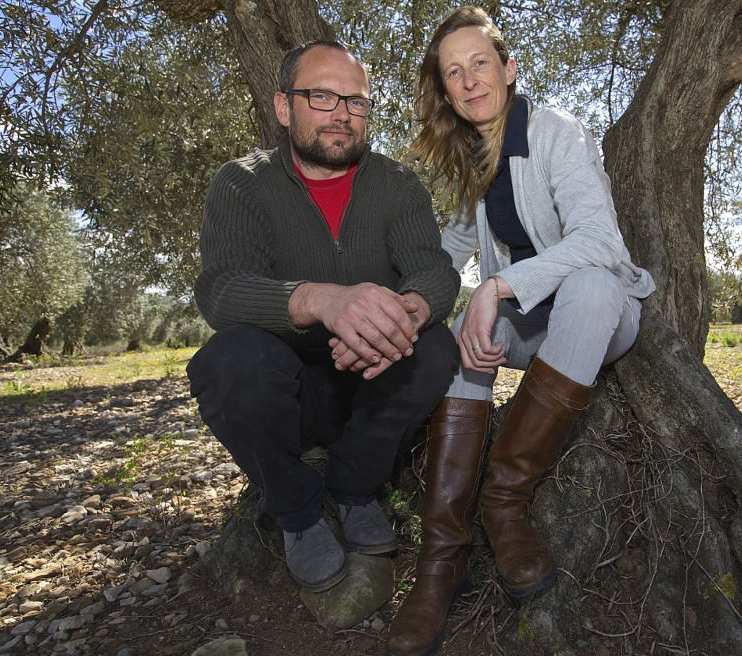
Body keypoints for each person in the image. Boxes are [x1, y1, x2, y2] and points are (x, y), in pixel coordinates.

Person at [385, 7, 656, 655]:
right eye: (454, 72)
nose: (469, 80)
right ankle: (440, 561)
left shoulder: (558, 133)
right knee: (452, 344)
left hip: (599, 316)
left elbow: (602, 243)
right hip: (529, 328)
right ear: (446, 90)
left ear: (508, 69)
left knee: (591, 285)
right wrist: (408, 311)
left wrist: (498, 287)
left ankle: (504, 503)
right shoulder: (470, 157)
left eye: (480, 63)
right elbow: (445, 255)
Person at [186, 41, 461, 594]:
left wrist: (400, 319)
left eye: (356, 102)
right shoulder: (241, 183)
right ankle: (296, 511)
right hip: (288, 393)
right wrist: (322, 300)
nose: (342, 113)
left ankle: (355, 490)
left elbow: (434, 272)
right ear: (284, 107)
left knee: (435, 348)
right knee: (226, 361)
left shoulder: (397, 185)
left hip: (370, 384)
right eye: (322, 96)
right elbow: (222, 290)